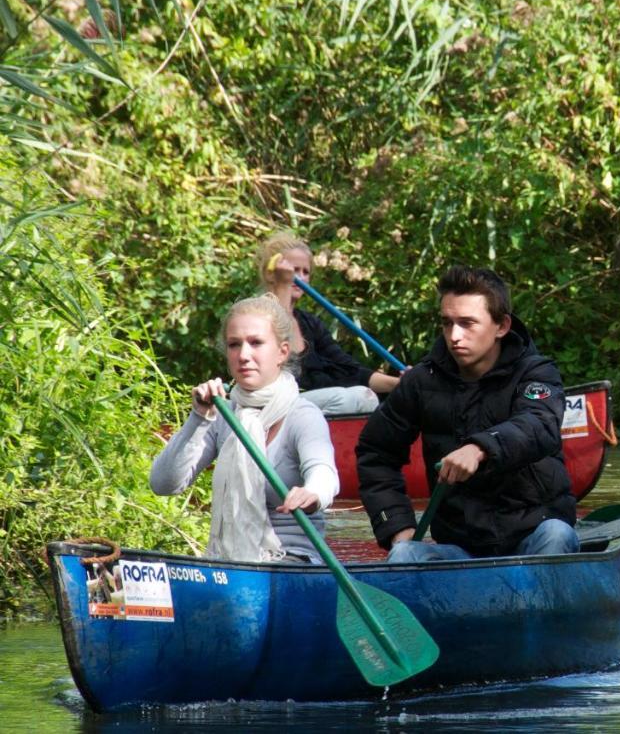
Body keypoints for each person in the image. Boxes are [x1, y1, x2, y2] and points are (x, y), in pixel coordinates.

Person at [356, 265, 578, 561]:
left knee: (557, 534)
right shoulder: (421, 382)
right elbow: (375, 453)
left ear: (501, 326)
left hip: (535, 536)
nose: (454, 336)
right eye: (447, 323)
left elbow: (540, 425)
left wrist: (480, 448)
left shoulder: (537, 373)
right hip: (460, 550)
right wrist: (399, 530)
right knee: (404, 556)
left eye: (467, 323)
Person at [150, 295, 339, 563]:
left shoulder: (303, 415)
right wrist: (199, 417)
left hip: (293, 560)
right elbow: (163, 484)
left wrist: (313, 493)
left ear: (282, 352)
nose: (244, 355)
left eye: (256, 343)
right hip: (230, 561)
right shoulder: (224, 415)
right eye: (234, 345)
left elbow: (324, 473)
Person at [256, 232, 401, 415]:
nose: (299, 277)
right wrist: (283, 284)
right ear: (272, 273)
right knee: (347, 398)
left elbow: (348, 369)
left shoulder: (310, 323)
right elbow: (281, 357)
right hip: (276, 405)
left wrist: (401, 384)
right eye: (293, 270)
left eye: (305, 272)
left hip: (315, 404)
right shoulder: (257, 315)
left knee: (370, 398)